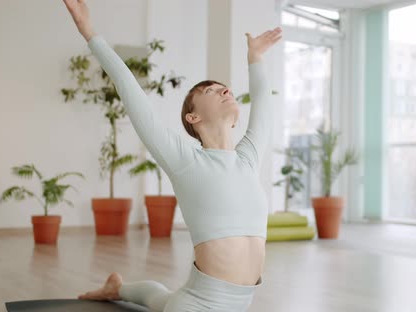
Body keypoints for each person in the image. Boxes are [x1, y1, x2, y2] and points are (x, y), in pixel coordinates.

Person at [62, 0, 282, 311]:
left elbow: (264, 106)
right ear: (193, 118)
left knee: (161, 299)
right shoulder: (186, 161)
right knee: (168, 303)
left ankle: (118, 288)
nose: (225, 91)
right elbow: (129, 88)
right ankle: (120, 288)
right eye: (211, 91)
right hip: (197, 305)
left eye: (226, 89)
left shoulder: (248, 158)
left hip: (241, 305)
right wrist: (89, 32)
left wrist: (255, 58)